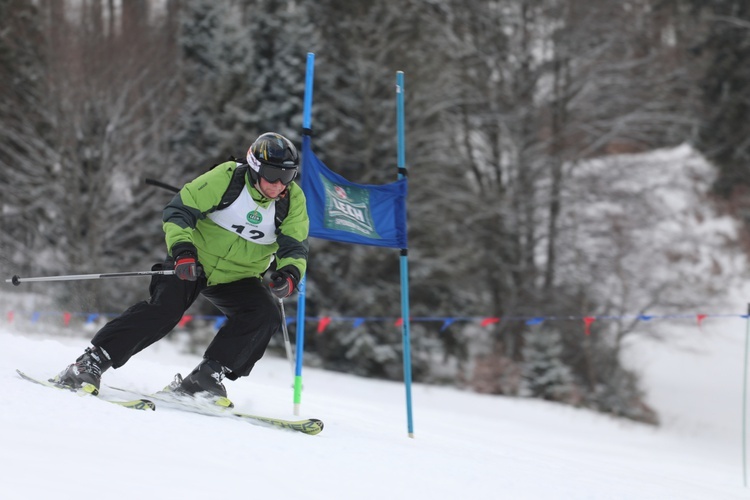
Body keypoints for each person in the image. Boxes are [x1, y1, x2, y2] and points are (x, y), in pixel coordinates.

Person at [53, 132, 309, 406]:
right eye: (272, 174)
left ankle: (205, 378)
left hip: (240, 276)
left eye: (288, 176)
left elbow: (295, 247)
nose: (279, 184)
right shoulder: (227, 178)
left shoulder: (291, 201)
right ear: (255, 167)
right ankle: (90, 362)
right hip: (194, 262)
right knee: (166, 309)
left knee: (264, 313)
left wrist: (290, 274)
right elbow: (179, 211)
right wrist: (183, 252)